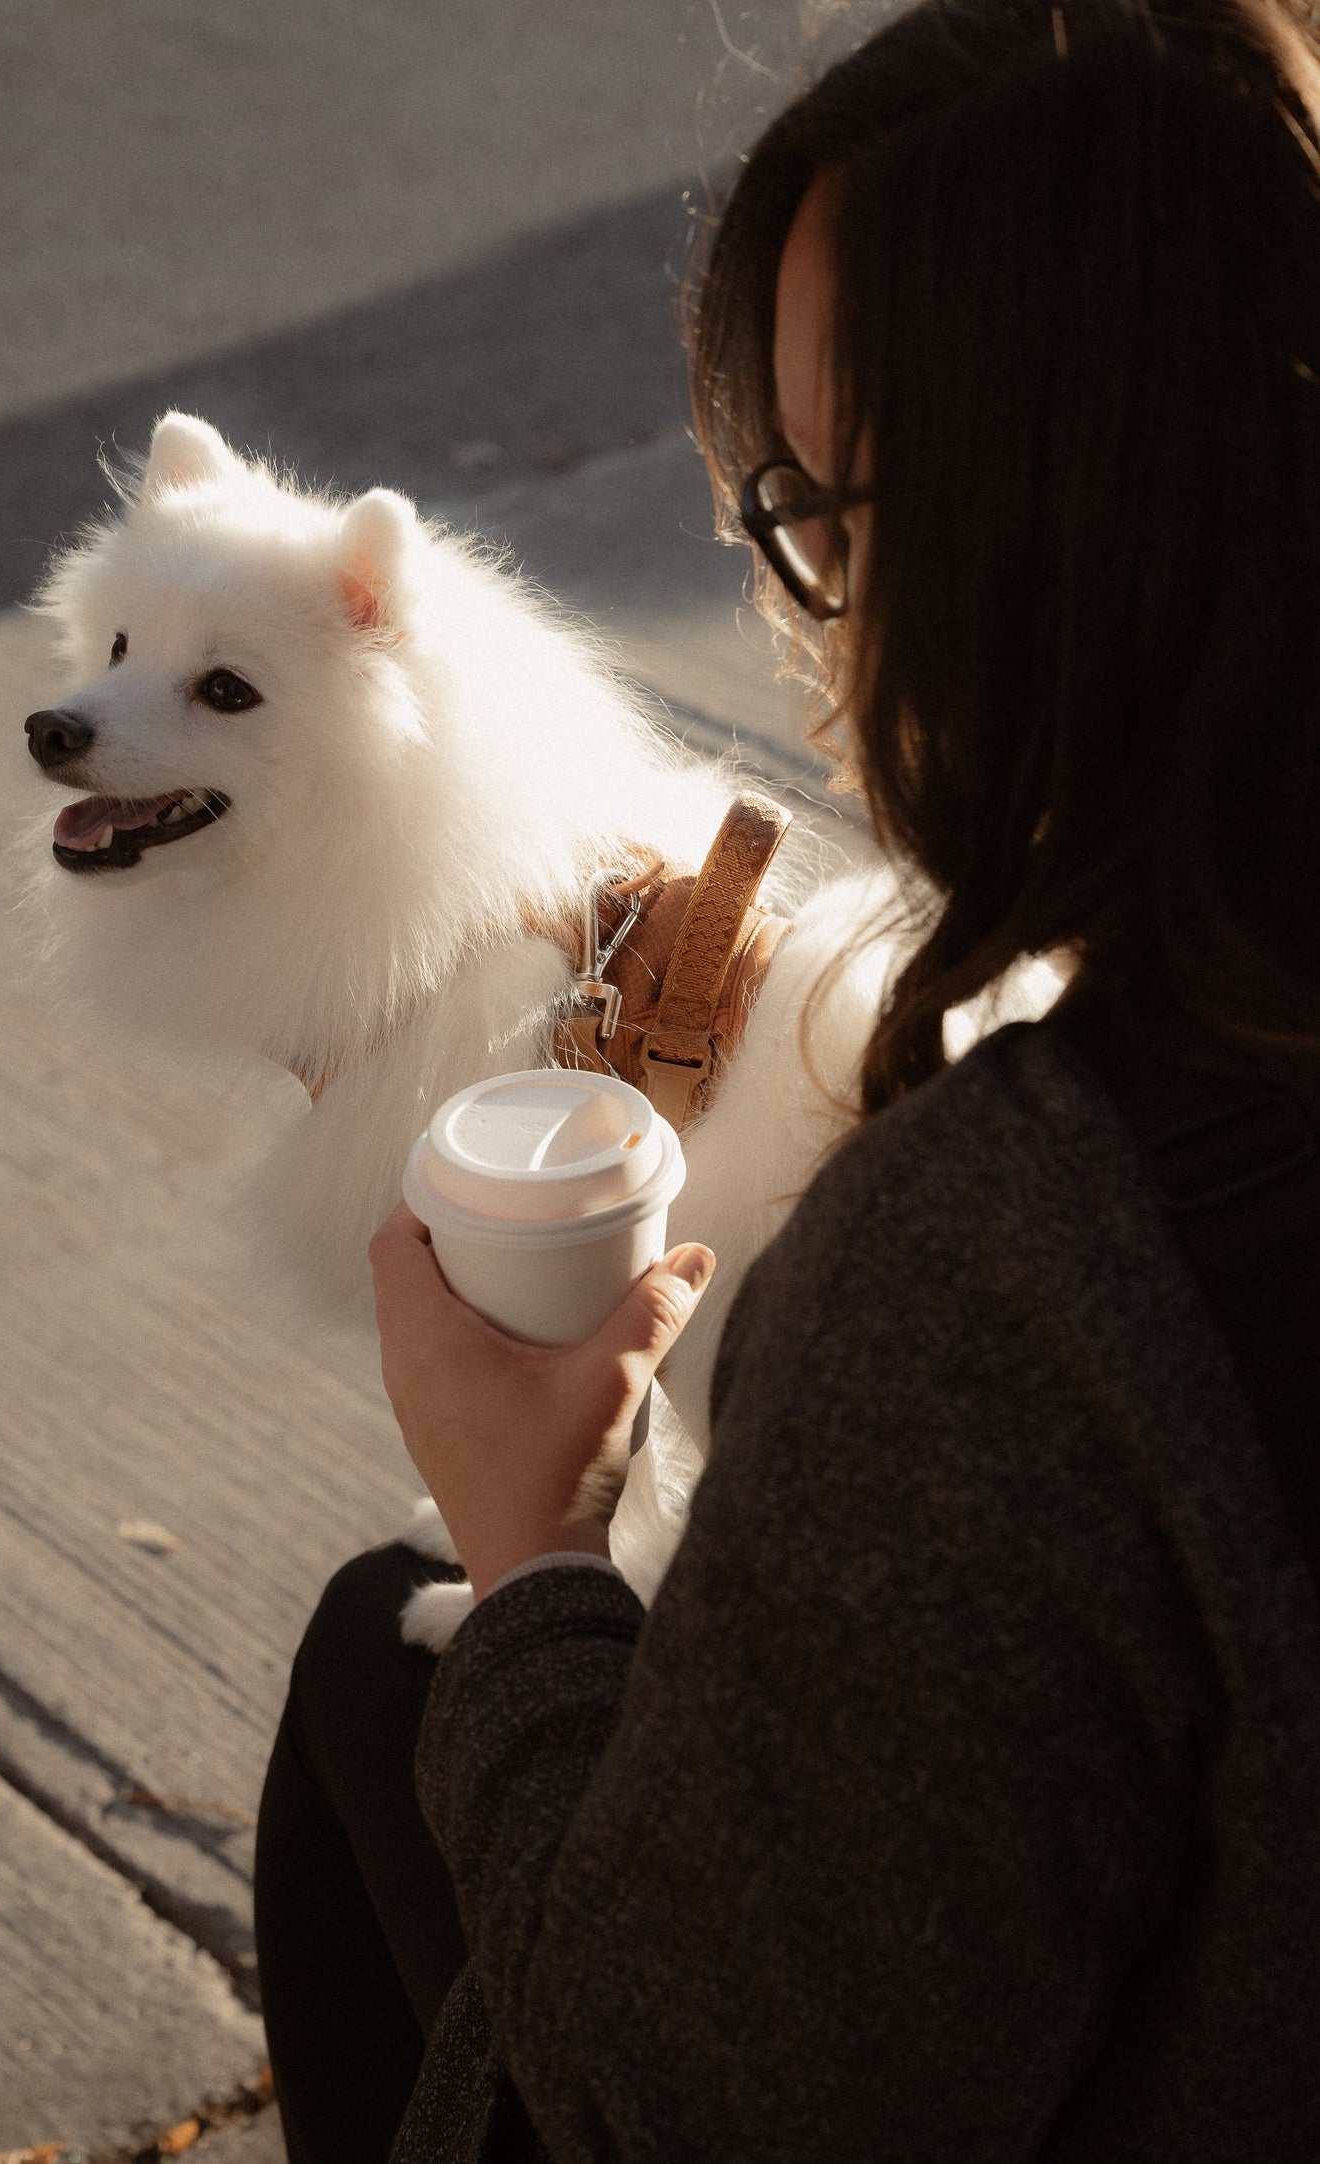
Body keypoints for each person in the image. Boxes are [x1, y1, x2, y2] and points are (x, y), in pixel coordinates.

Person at [253, 0, 1320, 2155]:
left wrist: (540, 1544)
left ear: (1027, 550)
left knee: (405, 1645)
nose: (819, 604)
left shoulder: (1015, 1265)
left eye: (826, 509)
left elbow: (692, 2094)